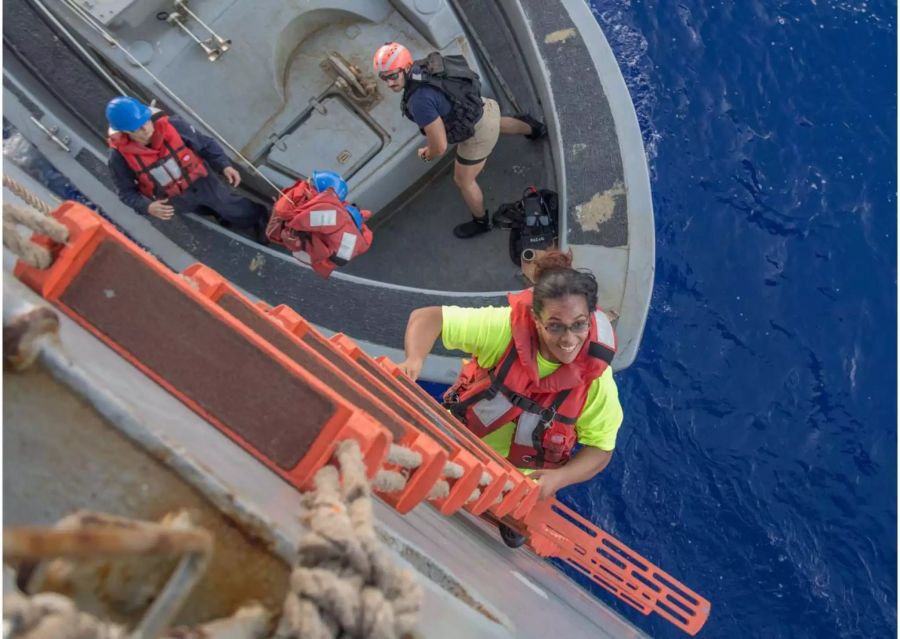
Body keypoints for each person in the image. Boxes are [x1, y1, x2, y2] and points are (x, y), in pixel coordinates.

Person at [397, 251, 622, 546]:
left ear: (590, 319)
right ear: (535, 319)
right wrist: (414, 361)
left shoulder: (596, 381)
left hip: (519, 480)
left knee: (512, 520)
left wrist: (560, 478)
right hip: (454, 441)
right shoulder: (503, 329)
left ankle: (511, 508)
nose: (568, 339)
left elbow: (601, 448)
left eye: (578, 325)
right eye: (555, 325)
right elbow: (428, 318)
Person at [373, 42, 546, 239]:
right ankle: (534, 128)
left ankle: (481, 222)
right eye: (383, 78)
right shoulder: (424, 67)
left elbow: (439, 146)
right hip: (483, 107)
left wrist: (426, 154)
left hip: (476, 134)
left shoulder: (419, 102)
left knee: (463, 180)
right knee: (494, 123)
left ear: (405, 68)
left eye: (393, 76)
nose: (389, 83)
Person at [105, 96, 269, 239]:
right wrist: (147, 206)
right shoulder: (118, 158)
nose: (145, 129)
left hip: (203, 182)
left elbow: (205, 144)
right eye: (136, 128)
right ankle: (221, 217)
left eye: (146, 121)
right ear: (124, 131)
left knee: (228, 204)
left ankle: (258, 217)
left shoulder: (174, 126)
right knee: (205, 210)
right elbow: (126, 192)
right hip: (175, 199)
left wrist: (223, 165)